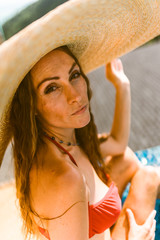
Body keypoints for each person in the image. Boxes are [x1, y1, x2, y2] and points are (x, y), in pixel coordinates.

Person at [0, 1, 160, 240]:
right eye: (52, 88)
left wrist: (122, 86)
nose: (75, 95)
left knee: (129, 160)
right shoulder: (66, 179)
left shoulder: (56, 141)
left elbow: (116, 143)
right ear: (31, 106)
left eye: (74, 75)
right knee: (149, 177)